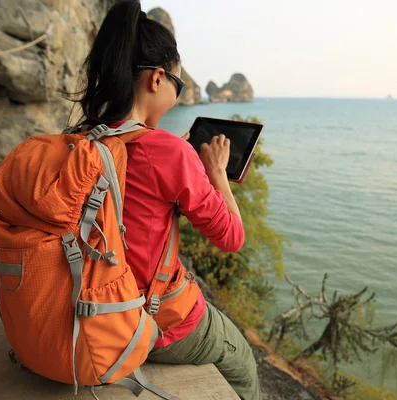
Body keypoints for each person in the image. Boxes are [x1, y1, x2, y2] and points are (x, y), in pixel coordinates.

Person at [68, 1, 262, 399]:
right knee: (242, 359)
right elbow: (232, 237)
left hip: (84, 302)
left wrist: (187, 163)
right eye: (177, 84)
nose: (176, 95)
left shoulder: (83, 139)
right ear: (157, 79)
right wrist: (217, 175)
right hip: (150, 321)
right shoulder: (170, 153)